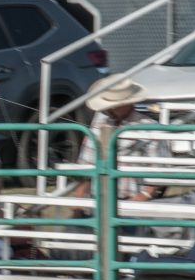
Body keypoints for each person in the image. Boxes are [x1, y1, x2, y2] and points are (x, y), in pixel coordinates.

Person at [72, 74, 171, 209]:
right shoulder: (99, 122)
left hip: (132, 199)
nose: (110, 109)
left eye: (115, 106)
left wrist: (143, 196)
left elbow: (160, 173)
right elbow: (87, 165)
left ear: (128, 103)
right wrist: (79, 198)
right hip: (98, 199)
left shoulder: (150, 129)